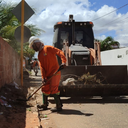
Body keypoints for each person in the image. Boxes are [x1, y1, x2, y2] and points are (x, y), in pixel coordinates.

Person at [29, 36, 66, 111]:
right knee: (44, 88)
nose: (33, 48)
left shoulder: (48, 48)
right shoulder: (39, 55)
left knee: (54, 89)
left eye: (33, 46)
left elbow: (60, 52)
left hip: (55, 73)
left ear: (37, 43)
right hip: (48, 75)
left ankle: (59, 106)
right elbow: (42, 67)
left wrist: (64, 62)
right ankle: (45, 104)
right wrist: (43, 78)